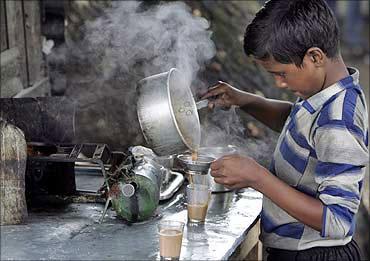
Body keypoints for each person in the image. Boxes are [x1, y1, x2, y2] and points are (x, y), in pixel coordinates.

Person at [202, 0, 369, 260]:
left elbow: (337, 221)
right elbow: (298, 124)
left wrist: (257, 177)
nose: (279, 83)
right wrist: (245, 100)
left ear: (315, 56)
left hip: (316, 255)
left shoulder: (339, 121)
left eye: (281, 73)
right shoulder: (323, 93)